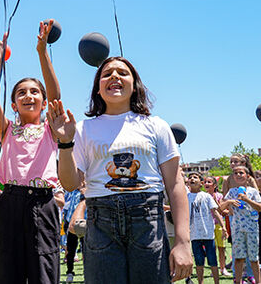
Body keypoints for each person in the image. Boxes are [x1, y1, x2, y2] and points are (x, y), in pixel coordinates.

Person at [50, 56, 192, 283]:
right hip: (100, 225)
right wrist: (65, 143)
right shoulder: (82, 129)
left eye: (122, 73)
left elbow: (175, 184)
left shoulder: (156, 125)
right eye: (107, 74)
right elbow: (70, 184)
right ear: (98, 89)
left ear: (135, 86)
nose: (114, 76)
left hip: (148, 223)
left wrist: (183, 242)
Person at [0, 20, 64, 284]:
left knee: (44, 271)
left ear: (42, 101)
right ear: (14, 104)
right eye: (21, 93)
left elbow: (56, 98)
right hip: (10, 203)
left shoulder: (50, 129)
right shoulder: (7, 129)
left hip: (43, 203)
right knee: (8, 272)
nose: (28, 96)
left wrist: (42, 51)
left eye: (34, 92)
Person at [220, 165, 261, 283]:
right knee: (239, 258)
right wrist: (229, 201)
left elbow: (260, 207)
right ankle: (238, 281)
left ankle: (258, 281)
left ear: (247, 176)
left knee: (254, 258)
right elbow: (220, 207)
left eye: (241, 173)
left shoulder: (253, 191)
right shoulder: (232, 191)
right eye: (235, 173)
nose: (238, 175)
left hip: (252, 229)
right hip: (237, 229)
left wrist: (247, 199)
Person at [186, 172, 225, 284]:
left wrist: (223, 227)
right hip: (194, 234)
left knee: (213, 261)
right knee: (199, 262)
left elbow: (215, 211)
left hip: (208, 234)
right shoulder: (185, 197)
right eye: (190, 178)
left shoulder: (206, 196)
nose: (192, 179)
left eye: (195, 177)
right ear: (188, 182)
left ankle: (216, 282)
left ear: (201, 183)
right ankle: (200, 282)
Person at [203, 175, 230, 277]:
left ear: (214, 185)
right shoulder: (203, 196)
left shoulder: (219, 196)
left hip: (218, 225)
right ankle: (213, 269)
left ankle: (223, 269)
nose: (206, 184)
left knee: (221, 248)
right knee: (211, 249)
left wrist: (216, 202)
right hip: (208, 226)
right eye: (205, 182)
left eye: (209, 182)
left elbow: (222, 210)